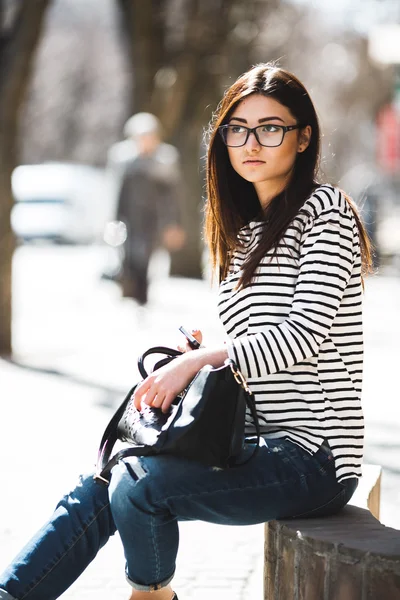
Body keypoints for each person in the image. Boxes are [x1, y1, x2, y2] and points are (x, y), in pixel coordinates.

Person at [0, 62, 372, 600]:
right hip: (248, 439)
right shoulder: (243, 232)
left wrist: (198, 362)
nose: (251, 142)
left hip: (313, 457)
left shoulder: (325, 211)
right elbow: (249, 341)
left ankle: (152, 595)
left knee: (141, 487)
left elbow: (302, 335)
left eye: (271, 128)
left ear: (303, 136)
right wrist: (197, 349)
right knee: (106, 479)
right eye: (237, 129)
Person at [110, 112, 186, 305]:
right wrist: (114, 221)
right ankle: (130, 295)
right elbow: (117, 194)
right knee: (128, 260)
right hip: (129, 220)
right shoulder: (126, 163)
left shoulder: (164, 163)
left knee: (146, 260)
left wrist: (174, 224)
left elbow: (172, 198)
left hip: (154, 221)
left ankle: (141, 299)